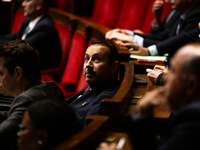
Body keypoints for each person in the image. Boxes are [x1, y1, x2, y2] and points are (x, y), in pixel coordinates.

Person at [99, 43, 200, 150]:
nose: (165, 77)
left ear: (191, 85)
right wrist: (143, 112)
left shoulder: (193, 118)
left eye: (173, 72)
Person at [0, 39, 65, 150]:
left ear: (18, 73)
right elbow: (13, 115)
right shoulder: (49, 87)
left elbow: (3, 134)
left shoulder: (27, 98)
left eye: (0, 73)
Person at [67, 40, 120, 126]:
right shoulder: (95, 85)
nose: (88, 64)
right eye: (87, 58)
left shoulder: (103, 101)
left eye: (97, 59)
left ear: (113, 67)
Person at [106, 0, 200, 48]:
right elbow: (163, 35)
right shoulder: (178, 12)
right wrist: (129, 34)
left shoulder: (196, 13)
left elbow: (175, 43)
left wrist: (132, 38)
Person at [0, 0, 61, 70]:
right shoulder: (28, 21)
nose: (23, 4)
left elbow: (20, 49)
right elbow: (11, 38)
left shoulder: (45, 28)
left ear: (39, 5)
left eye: (27, 1)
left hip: (35, 74)